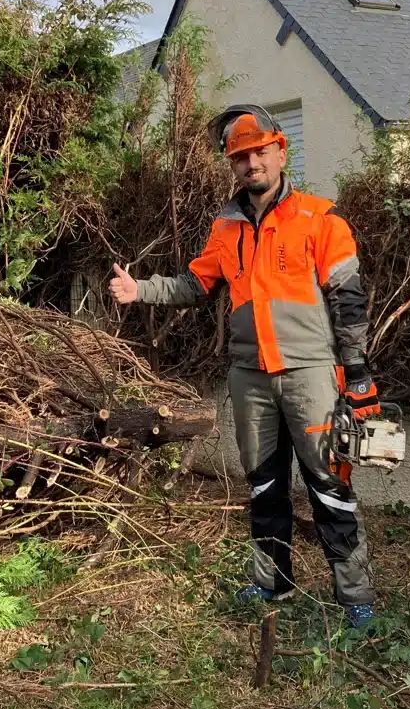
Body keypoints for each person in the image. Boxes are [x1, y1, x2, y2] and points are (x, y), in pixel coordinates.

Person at [108, 104, 380, 627]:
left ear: (280, 151)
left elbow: (349, 303)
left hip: (310, 376)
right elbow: (195, 285)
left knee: (330, 484)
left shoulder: (321, 220)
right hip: (249, 377)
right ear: (231, 165)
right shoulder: (226, 228)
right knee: (263, 484)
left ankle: (355, 596)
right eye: (240, 156)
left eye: (259, 152)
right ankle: (272, 581)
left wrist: (359, 374)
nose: (251, 163)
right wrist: (139, 289)